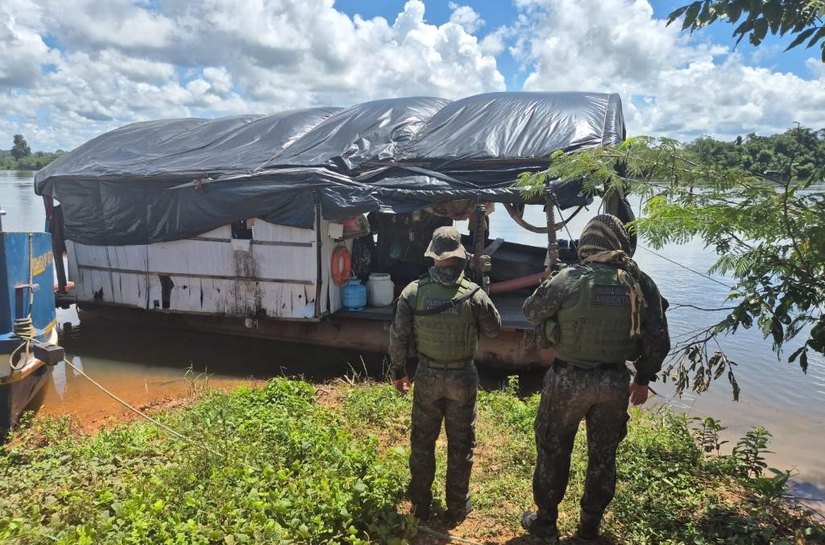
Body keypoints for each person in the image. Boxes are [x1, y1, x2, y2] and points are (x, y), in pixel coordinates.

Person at [521, 213, 670, 543]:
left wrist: (550, 286)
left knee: (553, 448)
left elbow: (531, 312)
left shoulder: (570, 277)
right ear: (618, 243)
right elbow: (658, 339)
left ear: (585, 244)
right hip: (614, 382)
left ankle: (545, 524)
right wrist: (643, 379)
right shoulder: (640, 282)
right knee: (603, 456)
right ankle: (589, 528)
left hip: (567, 381)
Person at [389, 225, 502, 525]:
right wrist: (482, 291)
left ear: (434, 255)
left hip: (426, 376)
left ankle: (420, 506)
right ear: (459, 256)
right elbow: (494, 329)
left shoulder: (413, 292)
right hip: (462, 378)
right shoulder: (473, 294)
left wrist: (399, 371)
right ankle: (456, 507)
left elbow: (398, 337)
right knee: (461, 444)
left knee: (422, 442)